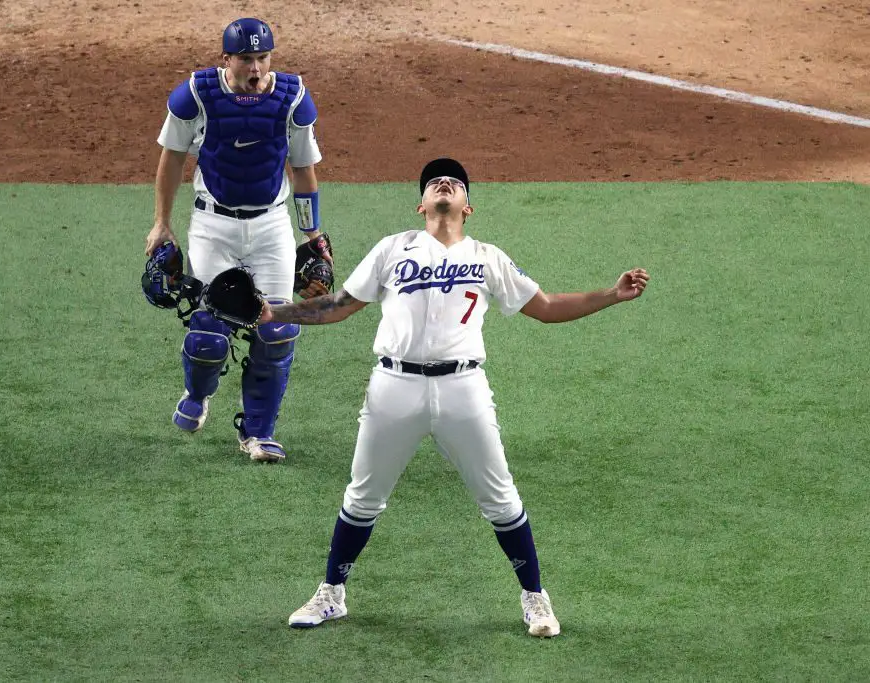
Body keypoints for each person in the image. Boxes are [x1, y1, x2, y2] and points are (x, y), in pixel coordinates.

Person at [259, 158, 650, 636]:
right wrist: (273, 313)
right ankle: (331, 594)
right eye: (434, 183)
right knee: (362, 499)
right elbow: (341, 305)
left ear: (469, 207)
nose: (445, 184)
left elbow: (545, 307)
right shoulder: (392, 249)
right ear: (421, 204)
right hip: (393, 387)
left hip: (463, 388)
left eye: (455, 183)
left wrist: (610, 294)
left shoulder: (488, 257)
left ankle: (536, 600)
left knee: (501, 499)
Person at [145, 18, 330, 463]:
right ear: (226, 59)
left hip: (271, 226)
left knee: (278, 329)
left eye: (262, 57)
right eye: (246, 58)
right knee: (209, 333)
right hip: (214, 227)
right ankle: (197, 392)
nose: (256, 67)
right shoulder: (196, 96)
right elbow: (171, 160)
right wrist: (161, 223)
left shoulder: (292, 100)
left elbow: (303, 169)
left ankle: (258, 433)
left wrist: (312, 232)